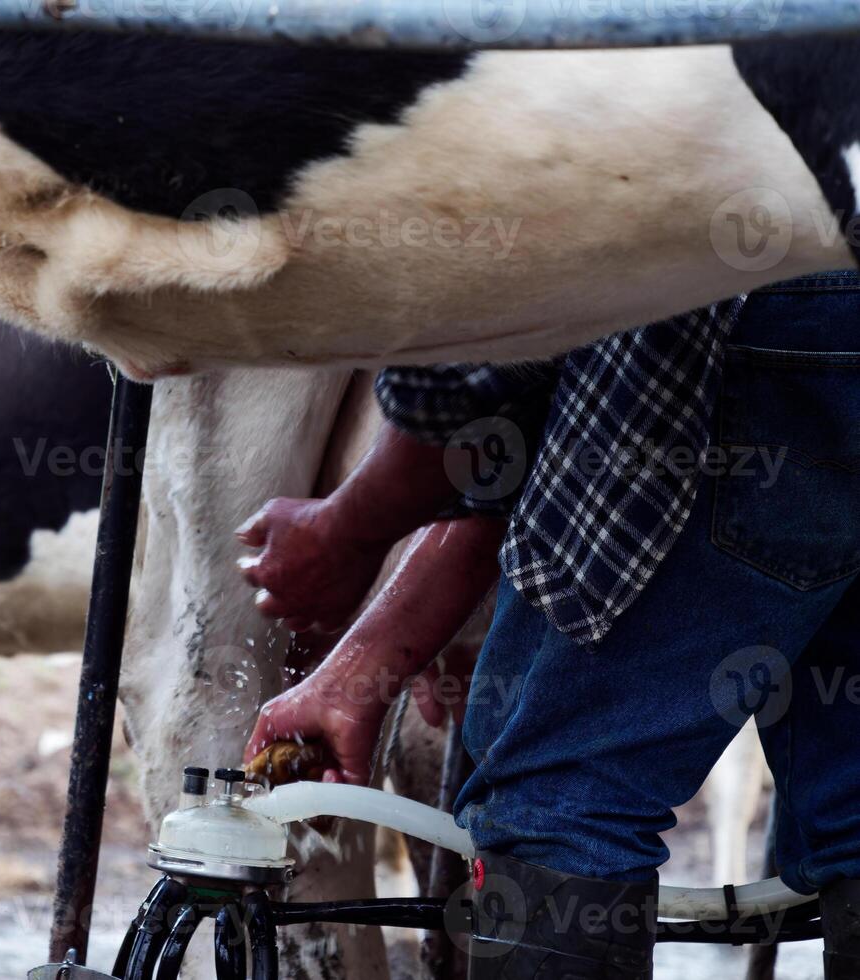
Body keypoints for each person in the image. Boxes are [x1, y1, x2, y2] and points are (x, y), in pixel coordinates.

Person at [241, 271, 860, 979]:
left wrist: (347, 529)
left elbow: (484, 364)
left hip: (756, 312)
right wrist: (367, 661)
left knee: (560, 809)